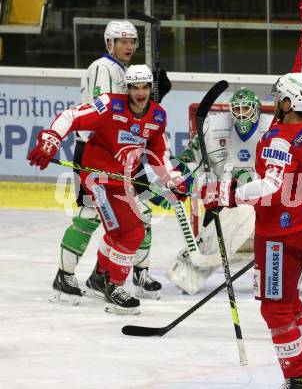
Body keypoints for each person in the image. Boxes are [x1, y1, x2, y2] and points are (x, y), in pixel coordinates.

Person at [198, 0, 302, 389]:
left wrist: (226, 193)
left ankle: (297, 381)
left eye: (280, 96)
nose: (276, 100)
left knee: (275, 308)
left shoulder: (279, 139)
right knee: (291, 301)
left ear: (289, 102)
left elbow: (272, 189)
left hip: (280, 233)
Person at [28, 64, 185, 315]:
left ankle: (100, 278)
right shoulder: (109, 105)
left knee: (121, 232)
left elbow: (159, 152)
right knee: (132, 232)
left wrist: (172, 178)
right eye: (135, 87)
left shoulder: (157, 116)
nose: (141, 92)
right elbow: (71, 116)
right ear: (128, 88)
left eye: (145, 86)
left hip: (123, 181)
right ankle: (115, 287)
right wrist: (50, 140)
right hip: (97, 180)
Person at [51, 20, 171, 305]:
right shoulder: (102, 68)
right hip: (99, 153)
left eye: (132, 41)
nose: (128, 46)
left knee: (138, 213)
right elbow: (104, 113)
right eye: (121, 41)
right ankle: (67, 275)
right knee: (92, 216)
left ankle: (119, 274)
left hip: (124, 154)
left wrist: (153, 98)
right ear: (109, 43)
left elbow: (132, 110)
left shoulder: (124, 70)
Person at [166, 88, 273, 295]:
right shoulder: (213, 127)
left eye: (246, 109)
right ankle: (187, 274)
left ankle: (291, 278)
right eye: (238, 109)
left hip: (267, 199)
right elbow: (189, 157)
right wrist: (177, 177)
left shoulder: (272, 128)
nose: (242, 114)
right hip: (225, 200)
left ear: (257, 111)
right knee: (219, 233)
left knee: (289, 237)